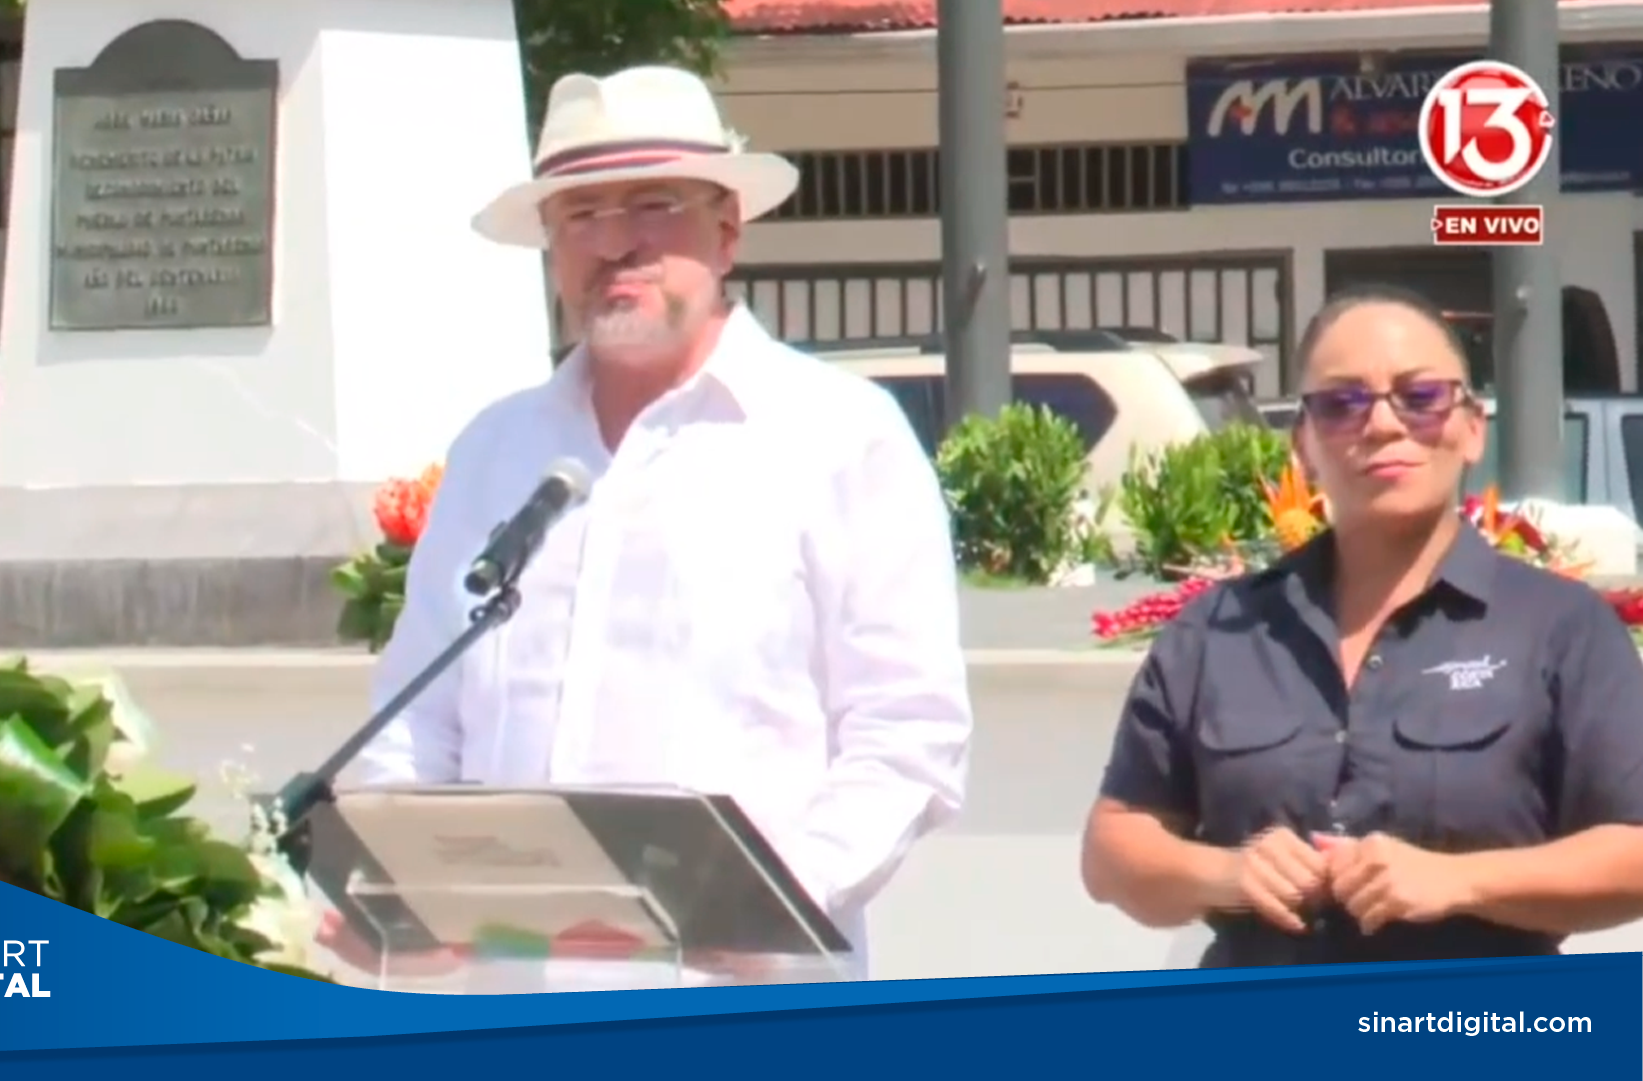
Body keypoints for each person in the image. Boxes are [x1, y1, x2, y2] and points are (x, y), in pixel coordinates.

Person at [316, 65, 972, 985]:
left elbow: (908, 734)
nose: (615, 242)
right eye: (580, 215)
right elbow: (417, 724)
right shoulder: (495, 452)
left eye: (653, 205)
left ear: (728, 229)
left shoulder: (838, 437)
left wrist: (777, 899)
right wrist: (396, 885)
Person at [1080, 283, 1643, 968]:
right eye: (1342, 403)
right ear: (1304, 446)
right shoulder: (1217, 629)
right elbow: (1112, 849)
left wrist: (1458, 880)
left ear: (1471, 428)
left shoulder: (1559, 627)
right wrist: (1226, 875)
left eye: (1420, 395)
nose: (1381, 424)